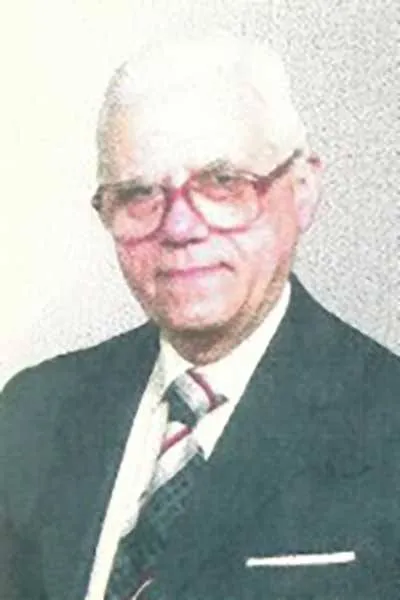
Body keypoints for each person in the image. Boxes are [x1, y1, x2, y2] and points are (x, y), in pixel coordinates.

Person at [1, 33, 399, 600]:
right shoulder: (33, 413)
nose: (180, 227)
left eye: (223, 183)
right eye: (139, 193)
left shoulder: (388, 424)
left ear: (303, 190)